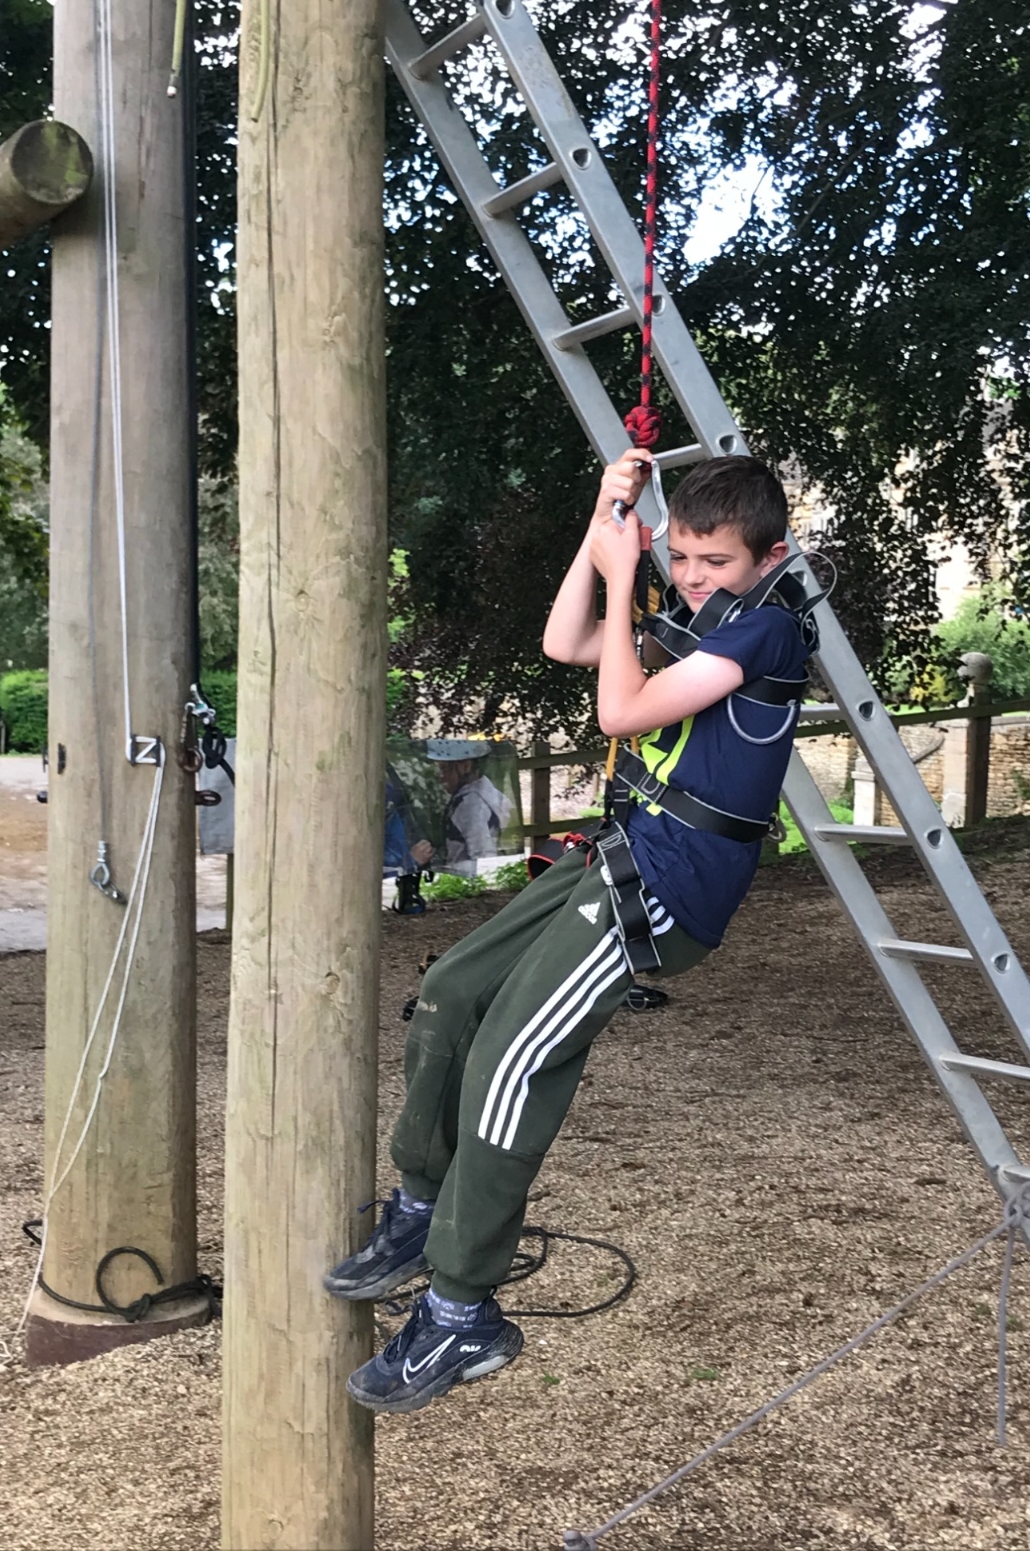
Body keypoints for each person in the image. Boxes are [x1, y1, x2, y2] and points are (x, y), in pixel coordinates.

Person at [325, 449, 815, 1414]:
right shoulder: (703, 619)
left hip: (669, 889)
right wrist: (601, 534)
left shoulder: (765, 631)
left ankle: (463, 1313)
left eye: (713, 561)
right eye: (680, 556)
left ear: (770, 557)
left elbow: (620, 709)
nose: (692, 576)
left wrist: (628, 576)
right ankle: (422, 1205)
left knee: (512, 1058)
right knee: (452, 992)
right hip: (620, 855)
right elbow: (565, 642)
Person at [426, 739, 514, 875]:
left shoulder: (470, 805)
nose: (441, 776)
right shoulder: (484, 789)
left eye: (445, 769)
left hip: (465, 875)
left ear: (466, 766)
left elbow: (483, 853)